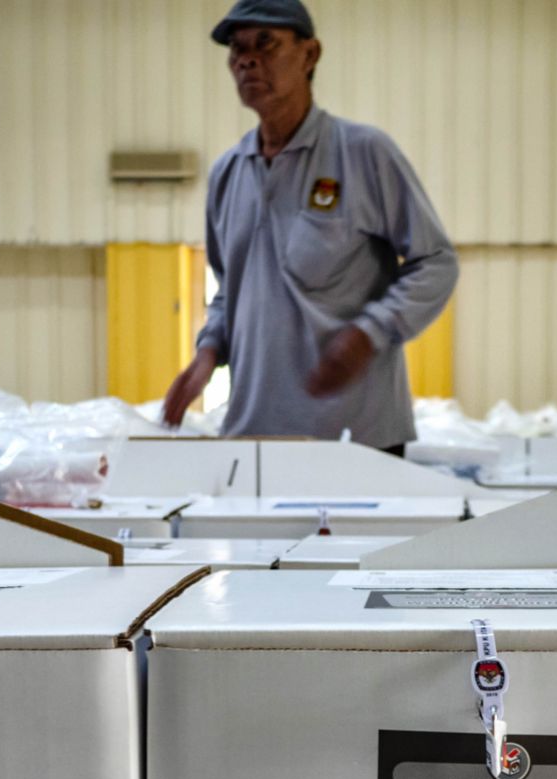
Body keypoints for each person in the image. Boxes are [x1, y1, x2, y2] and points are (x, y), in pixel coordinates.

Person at [161, 0, 458, 454]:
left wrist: (369, 332)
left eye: (266, 43)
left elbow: (436, 262)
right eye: (237, 50)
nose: (247, 60)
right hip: (254, 434)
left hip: (356, 438)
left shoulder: (363, 154)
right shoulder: (229, 172)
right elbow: (229, 290)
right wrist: (208, 352)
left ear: (310, 54)